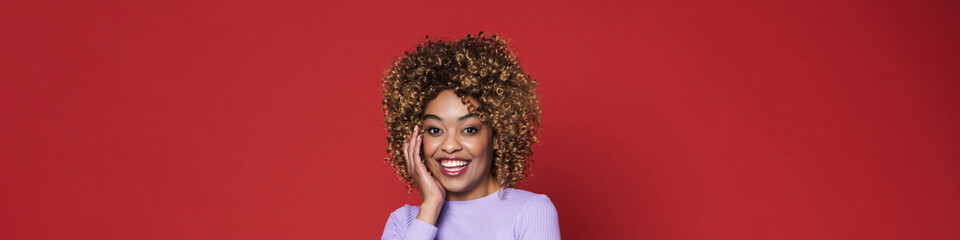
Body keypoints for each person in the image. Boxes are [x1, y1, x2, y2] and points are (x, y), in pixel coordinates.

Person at [379, 32, 561, 240]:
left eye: (469, 129)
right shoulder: (404, 222)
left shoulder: (531, 212)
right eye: (435, 130)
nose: (449, 146)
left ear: (497, 137)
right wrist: (430, 207)